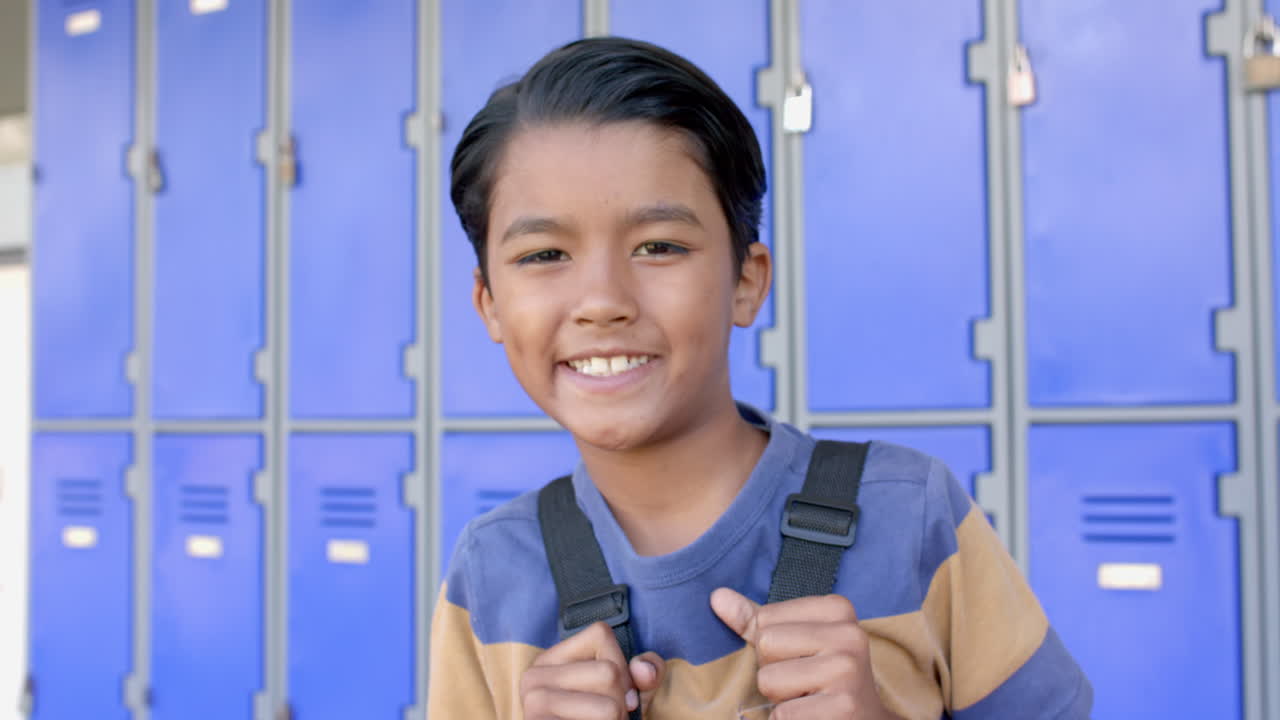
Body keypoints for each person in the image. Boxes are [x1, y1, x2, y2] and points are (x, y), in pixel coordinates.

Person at [428, 36, 1092, 719]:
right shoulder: (491, 575)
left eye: (659, 246)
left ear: (747, 281)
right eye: (544, 254)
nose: (602, 300)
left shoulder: (912, 516)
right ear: (490, 305)